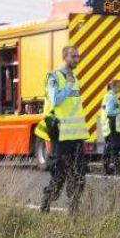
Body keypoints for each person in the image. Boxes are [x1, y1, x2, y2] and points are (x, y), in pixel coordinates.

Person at [35, 44, 90, 213]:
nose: (76, 59)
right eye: (73, 56)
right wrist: (67, 86)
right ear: (64, 57)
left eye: (77, 56)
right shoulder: (54, 77)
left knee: (80, 175)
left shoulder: (75, 78)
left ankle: (73, 208)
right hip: (61, 134)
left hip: (77, 135)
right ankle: (46, 202)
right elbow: (56, 100)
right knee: (60, 175)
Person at [99, 78, 120, 175]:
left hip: (109, 125)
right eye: (119, 86)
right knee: (115, 147)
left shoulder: (109, 96)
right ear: (113, 86)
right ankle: (117, 169)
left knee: (109, 146)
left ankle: (106, 168)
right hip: (112, 125)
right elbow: (109, 112)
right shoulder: (111, 97)